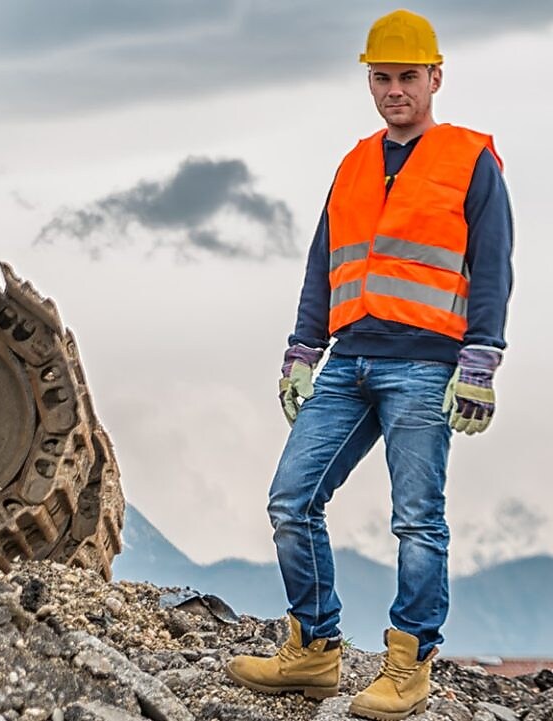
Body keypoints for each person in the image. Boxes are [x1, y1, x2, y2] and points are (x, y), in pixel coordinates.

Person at [224, 9, 514, 721]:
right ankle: (315, 649)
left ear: (435, 77)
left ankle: (409, 662)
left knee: (417, 521)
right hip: (347, 362)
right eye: (381, 78)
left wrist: (479, 362)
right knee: (290, 500)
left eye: (407, 77)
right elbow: (323, 266)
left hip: (424, 366)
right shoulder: (353, 164)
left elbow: (493, 267)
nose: (393, 91)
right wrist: (301, 350)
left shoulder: (470, 160)